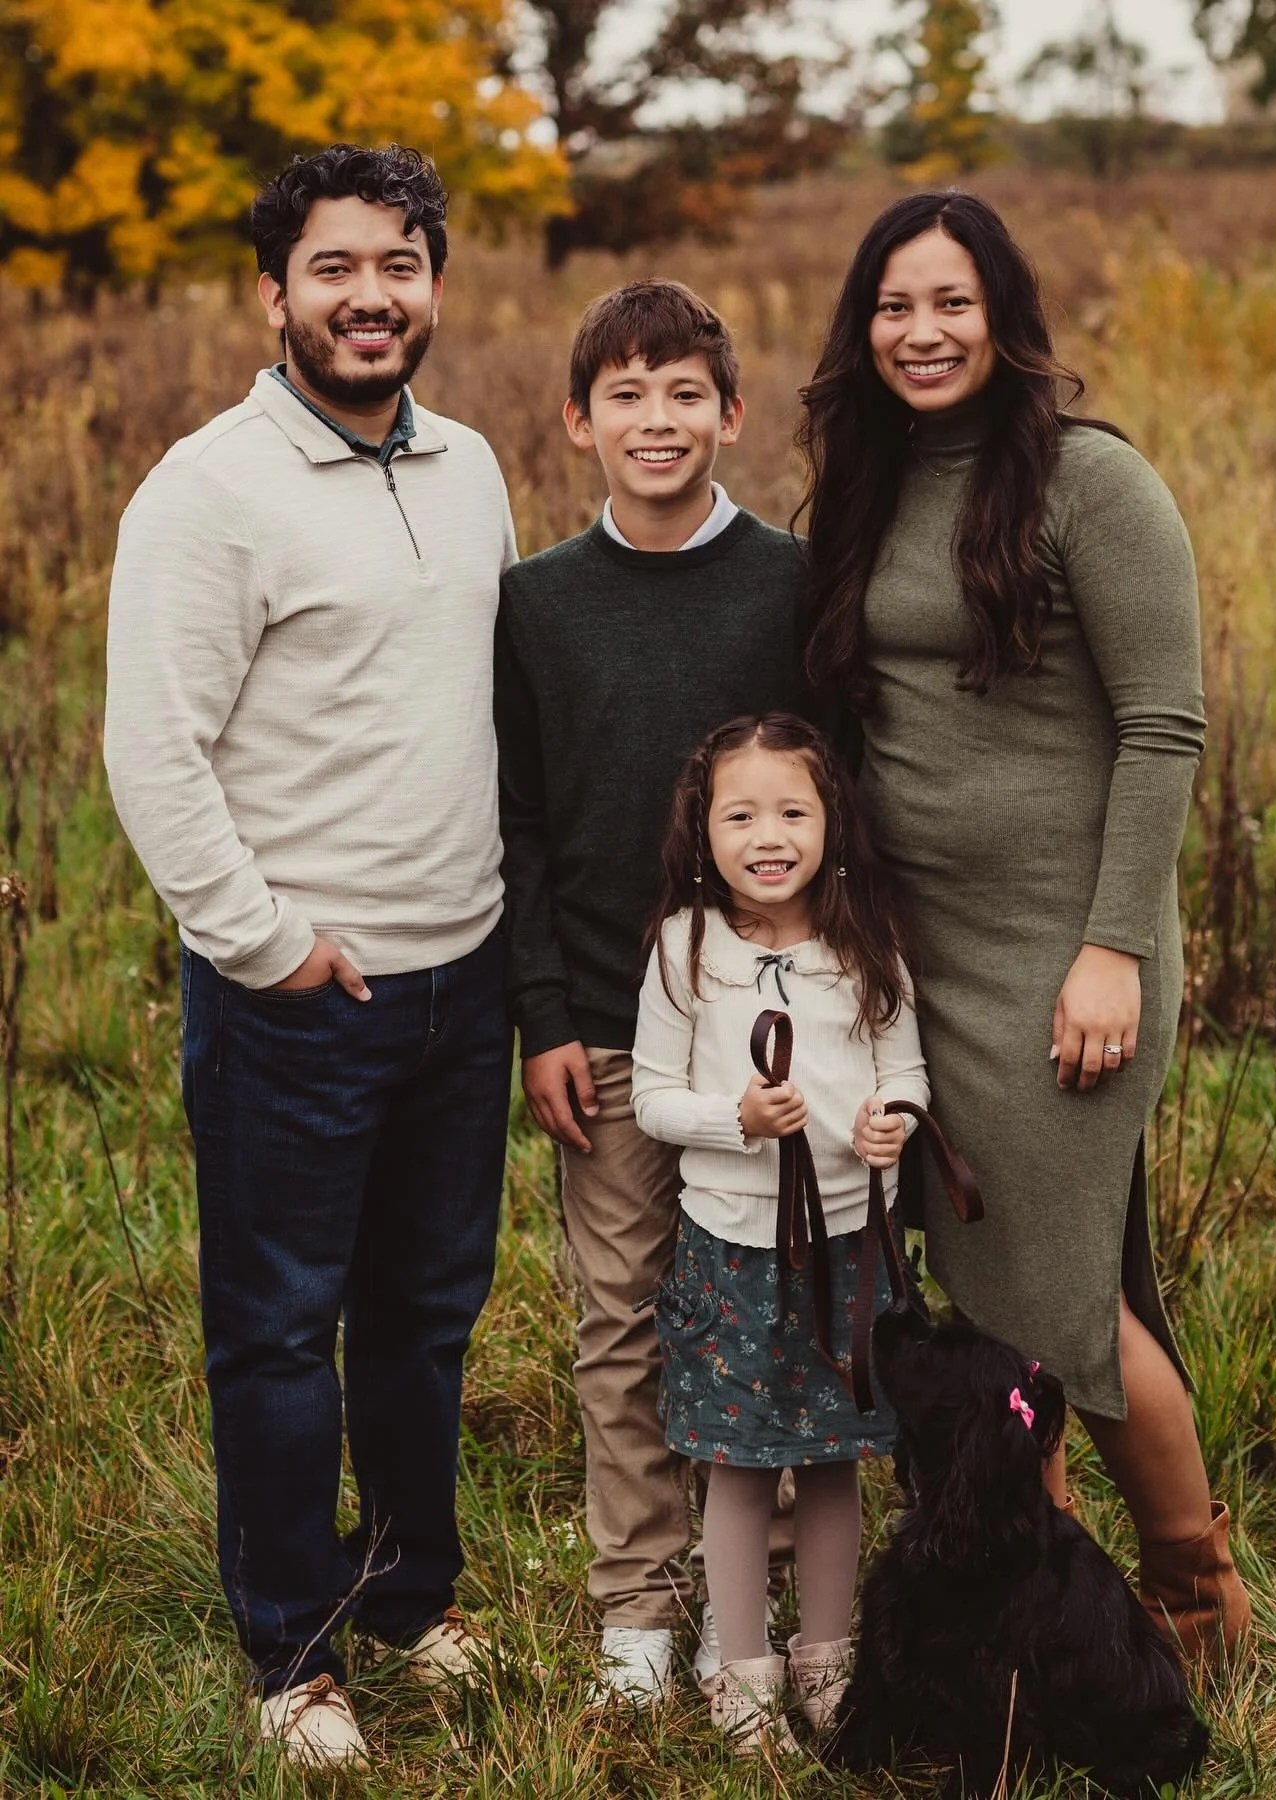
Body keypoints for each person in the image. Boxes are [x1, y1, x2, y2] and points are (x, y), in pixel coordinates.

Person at [797, 189, 1252, 1665]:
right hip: (917, 964)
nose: (921, 333)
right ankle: (1037, 1627)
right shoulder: (871, 473)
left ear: (1004, 316)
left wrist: (1113, 944)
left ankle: (1189, 1605)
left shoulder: (1089, 482)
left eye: (951, 303)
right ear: (863, 329)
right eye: (893, 307)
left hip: (1068, 961)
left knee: (1047, 1311)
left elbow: (1166, 728)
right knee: (1017, 1304)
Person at [104, 145, 515, 1770]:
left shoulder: (475, 465)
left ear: (431, 285)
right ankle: (295, 1650)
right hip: (299, 1003)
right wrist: (267, 947)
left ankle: (412, 1596)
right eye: (335, 267)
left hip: (464, 982)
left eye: (399, 265)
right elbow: (155, 754)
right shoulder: (209, 493)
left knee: (423, 1320)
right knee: (278, 1328)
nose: (370, 296)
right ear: (272, 292)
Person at [494, 281, 804, 1705]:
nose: (657, 419)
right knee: (621, 1316)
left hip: (774, 1037)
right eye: (625, 393)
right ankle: (639, 1608)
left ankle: (783, 1586)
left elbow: (834, 805)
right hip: (614, 1036)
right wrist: (546, 1016)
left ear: (731, 414)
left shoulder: (794, 589)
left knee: (767, 1308)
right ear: (578, 422)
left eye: (685, 392)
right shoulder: (537, 605)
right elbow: (524, 828)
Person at [631, 713, 929, 1754]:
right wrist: (736, 1121)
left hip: (848, 1249)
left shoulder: (865, 941)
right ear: (702, 830)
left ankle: (829, 1659)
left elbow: (906, 1071)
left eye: (794, 811)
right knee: (742, 1462)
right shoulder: (685, 949)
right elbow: (653, 1099)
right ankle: (745, 1675)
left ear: (832, 821)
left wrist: (893, 1125)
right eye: (742, 813)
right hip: (734, 1248)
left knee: (840, 1457)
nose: (770, 835)